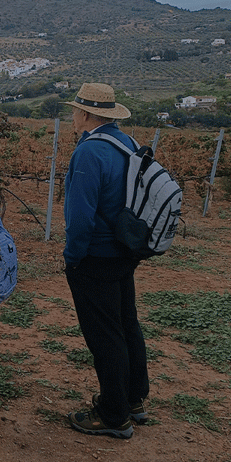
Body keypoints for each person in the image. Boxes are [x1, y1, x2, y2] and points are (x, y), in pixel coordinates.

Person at [62, 82, 149, 439]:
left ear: (85, 114)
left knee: (104, 336)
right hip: (125, 250)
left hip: (96, 255)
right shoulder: (126, 143)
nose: (72, 115)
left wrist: (72, 258)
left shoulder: (88, 153)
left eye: (74, 110)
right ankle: (133, 400)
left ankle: (114, 416)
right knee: (127, 324)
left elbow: (80, 218)